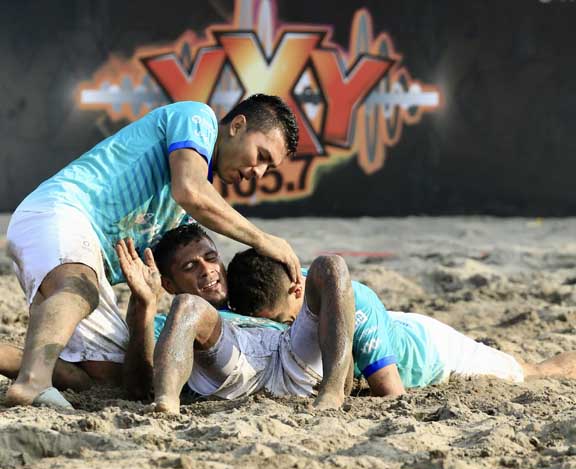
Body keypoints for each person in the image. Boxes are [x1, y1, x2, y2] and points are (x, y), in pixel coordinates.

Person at [5, 93, 301, 408]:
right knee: (79, 289)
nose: (259, 173)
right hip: (61, 210)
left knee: (110, 374)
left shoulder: (180, 215)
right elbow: (190, 190)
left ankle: (12, 362)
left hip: (85, 256)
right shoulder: (197, 118)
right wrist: (261, 239)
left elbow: (162, 280)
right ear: (237, 126)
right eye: (261, 155)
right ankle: (32, 382)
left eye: (269, 167)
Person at [226, 249, 576, 396]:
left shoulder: (357, 305)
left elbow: (393, 395)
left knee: (531, 372)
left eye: (287, 318)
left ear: (297, 289)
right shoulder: (280, 284)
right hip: (393, 324)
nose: (289, 327)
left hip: (433, 352)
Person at [116, 238, 355, 414]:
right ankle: (166, 403)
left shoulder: (248, 299)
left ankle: (332, 392)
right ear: (169, 284)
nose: (207, 270)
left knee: (331, 264)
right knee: (187, 304)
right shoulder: (173, 320)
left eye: (211, 258)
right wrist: (145, 306)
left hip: (290, 351)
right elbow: (138, 386)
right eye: (190, 267)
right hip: (235, 362)